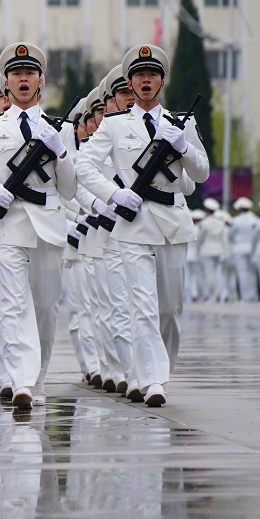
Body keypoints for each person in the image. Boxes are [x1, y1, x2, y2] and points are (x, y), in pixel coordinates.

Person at [76, 44, 210, 407]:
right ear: (130, 84)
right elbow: (83, 166)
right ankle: (152, 380)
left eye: (152, 74)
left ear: (162, 81)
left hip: (173, 224)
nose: (145, 80)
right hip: (133, 226)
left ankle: (160, 371)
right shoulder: (115, 125)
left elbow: (201, 173)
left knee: (170, 309)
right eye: (138, 75)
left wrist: (183, 146)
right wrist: (113, 195)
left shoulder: (182, 123)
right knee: (142, 305)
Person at [0, 43, 76, 411]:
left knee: (45, 308)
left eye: (29, 73)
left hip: (48, 224)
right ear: (5, 84)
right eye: (16, 74)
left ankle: (37, 378)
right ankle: (21, 380)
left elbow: (70, 187)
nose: (23, 79)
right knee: (12, 306)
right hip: (9, 224)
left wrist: (61, 153)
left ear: (41, 81)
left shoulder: (59, 129)